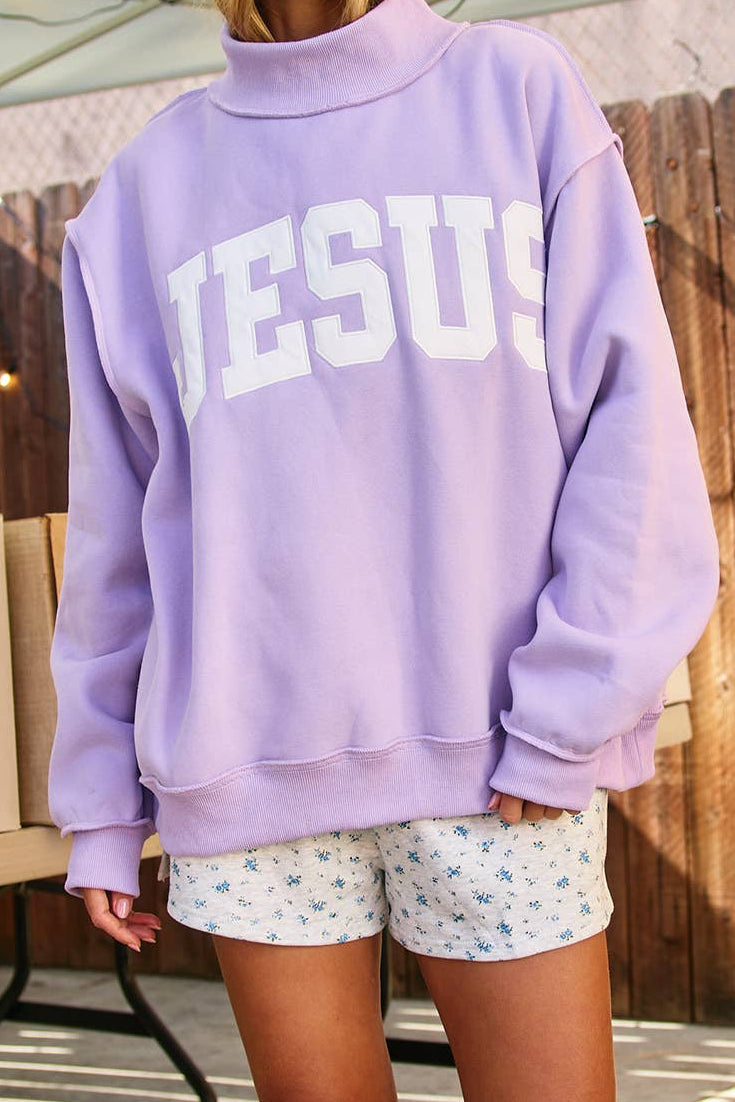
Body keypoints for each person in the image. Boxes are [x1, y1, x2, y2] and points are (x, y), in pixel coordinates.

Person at [46, 0, 720, 1098]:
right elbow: (115, 536)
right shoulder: (138, 197)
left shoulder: (515, 94)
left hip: (502, 762)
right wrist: (102, 802)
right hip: (245, 780)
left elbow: (632, 425)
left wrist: (569, 706)